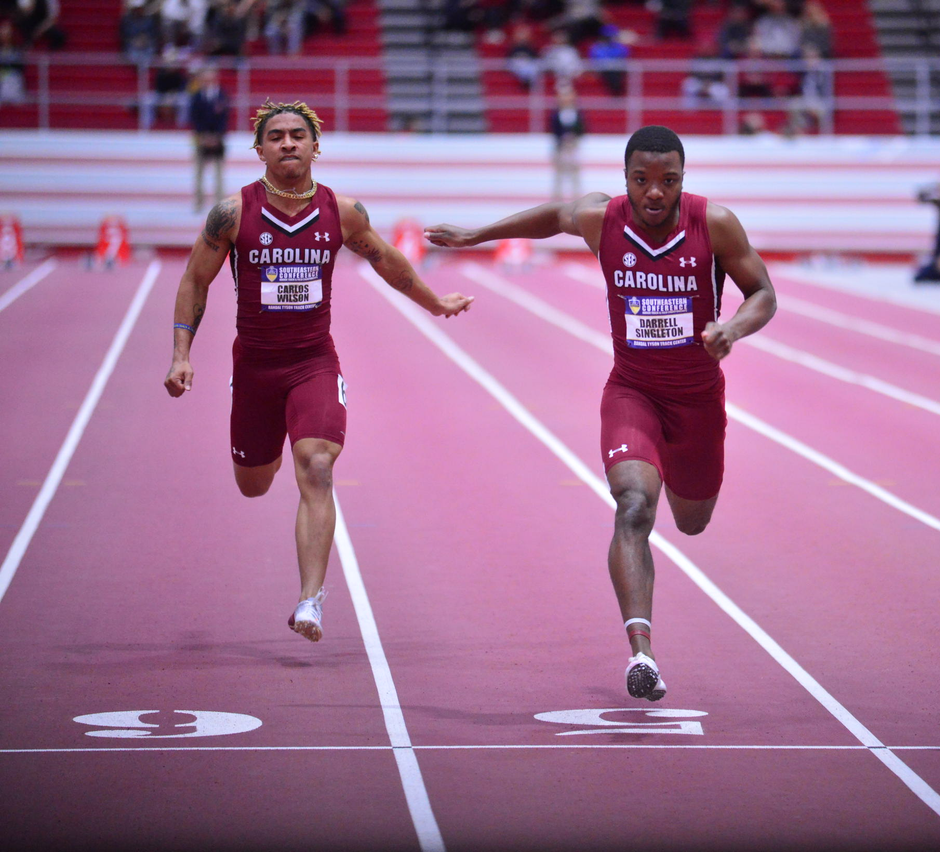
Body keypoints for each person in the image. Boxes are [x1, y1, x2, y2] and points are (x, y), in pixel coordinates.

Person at [425, 126, 777, 701]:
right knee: (634, 506)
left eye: (668, 181)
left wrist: (731, 328)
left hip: (697, 403)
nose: (655, 194)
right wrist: (476, 236)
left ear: (683, 179)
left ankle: (652, 612)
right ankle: (642, 653)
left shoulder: (714, 223)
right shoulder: (603, 219)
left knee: (691, 521)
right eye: (642, 181)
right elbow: (553, 216)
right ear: (626, 180)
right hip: (632, 393)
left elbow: (763, 291)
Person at [164, 101, 474, 641]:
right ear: (259, 149)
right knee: (254, 485)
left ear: (315, 146)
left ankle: (310, 601)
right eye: (276, 136)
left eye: (298, 135)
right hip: (256, 367)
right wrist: (181, 354)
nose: (288, 143)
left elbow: (387, 261)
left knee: (317, 466)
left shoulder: (343, 211)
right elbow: (195, 280)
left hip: (313, 363)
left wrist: (434, 303)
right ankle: (265, 445)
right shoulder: (231, 214)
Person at [190, 66, 229, 210]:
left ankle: (219, 202)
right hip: (201, 137)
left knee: (218, 171)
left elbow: (224, 118)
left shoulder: (221, 95)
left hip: (218, 137)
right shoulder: (197, 95)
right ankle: (199, 202)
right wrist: (203, 136)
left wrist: (217, 136)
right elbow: (194, 117)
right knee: (199, 170)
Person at [549, 83, 584, 201]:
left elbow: (582, 129)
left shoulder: (578, 113)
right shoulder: (555, 114)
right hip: (561, 147)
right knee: (559, 174)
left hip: (573, 146)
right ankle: (557, 199)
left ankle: (576, 199)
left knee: (575, 174)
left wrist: (574, 137)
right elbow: (553, 130)